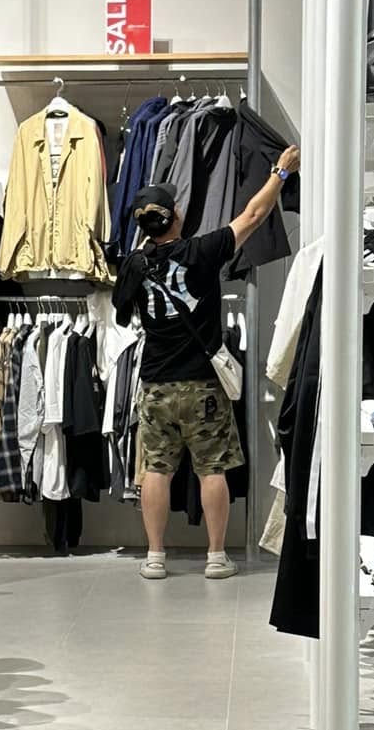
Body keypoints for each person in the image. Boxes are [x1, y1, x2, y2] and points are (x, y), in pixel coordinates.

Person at [113, 146, 300, 579]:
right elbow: (254, 215)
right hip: (203, 384)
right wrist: (279, 173)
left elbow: (122, 313)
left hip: (156, 384)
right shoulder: (201, 251)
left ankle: (155, 556)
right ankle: (216, 556)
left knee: (155, 469)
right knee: (211, 468)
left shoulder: (134, 265)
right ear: (175, 217)